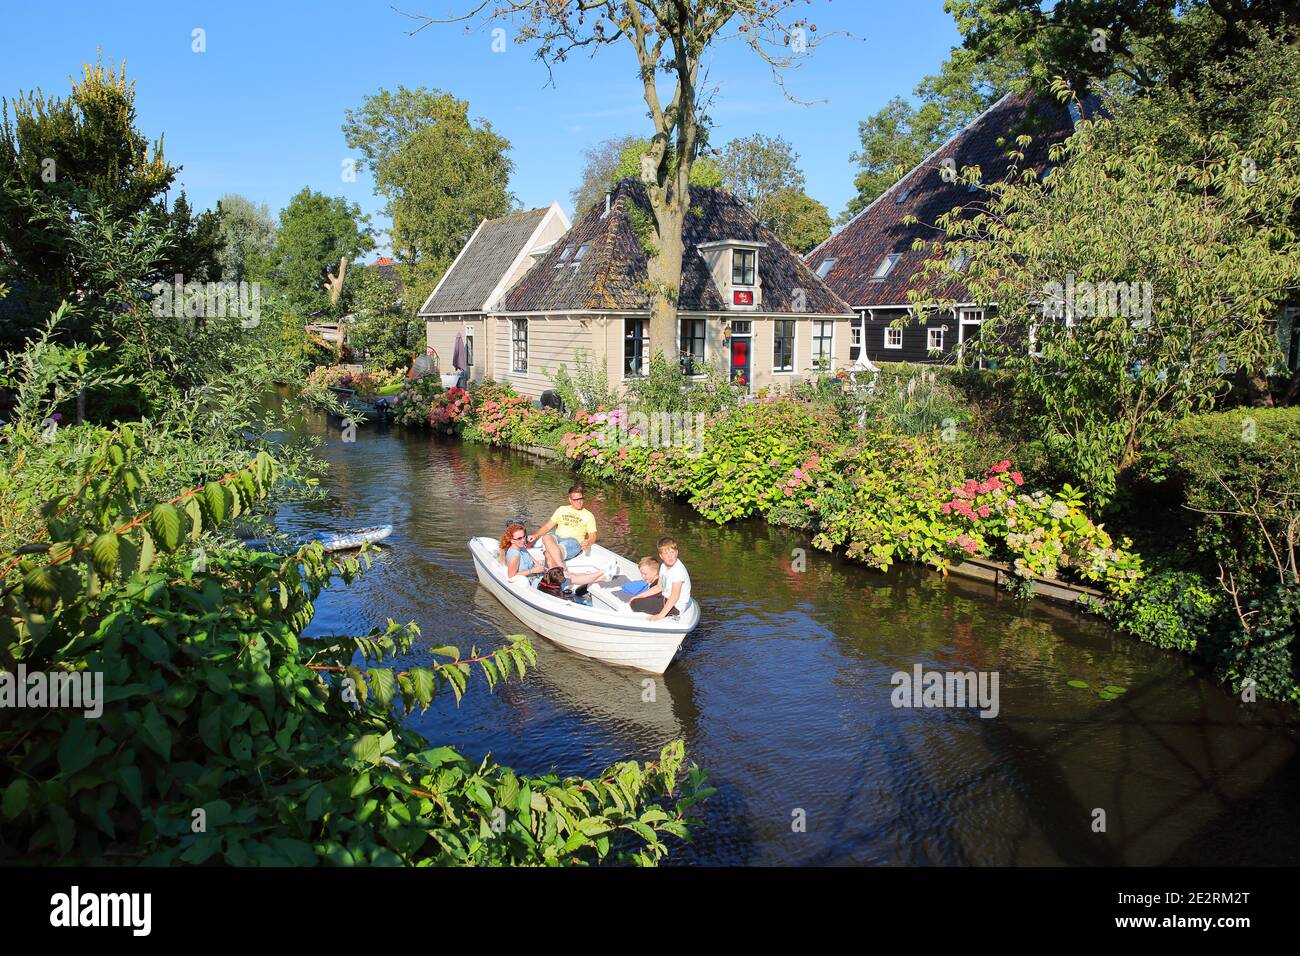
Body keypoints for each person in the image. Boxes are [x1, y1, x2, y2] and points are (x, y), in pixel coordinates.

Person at [528, 484, 597, 569]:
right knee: (546, 537)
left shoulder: (588, 515)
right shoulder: (562, 509)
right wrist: (536, 535)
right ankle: (560, 567)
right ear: (570, 500)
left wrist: (589, 542)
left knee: (549, 554)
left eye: (581, 499)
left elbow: (593, 535)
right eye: (576, 500)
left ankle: (555, 570)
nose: (579, 502)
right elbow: (547, 527)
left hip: (573, 541)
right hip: (557, 537)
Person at [630, 537, 692, 620]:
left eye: (672, 552)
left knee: (635, 604)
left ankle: (665, 612)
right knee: (639, 598)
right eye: (666, 554)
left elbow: (674, 596)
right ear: (661, 556)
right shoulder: (663, 566)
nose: (670, 556)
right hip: (665, 597)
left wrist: (660, 616)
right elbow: (659, 587)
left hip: (676, 606)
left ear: (676, 553)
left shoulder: (678, 571)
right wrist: (638, 596)